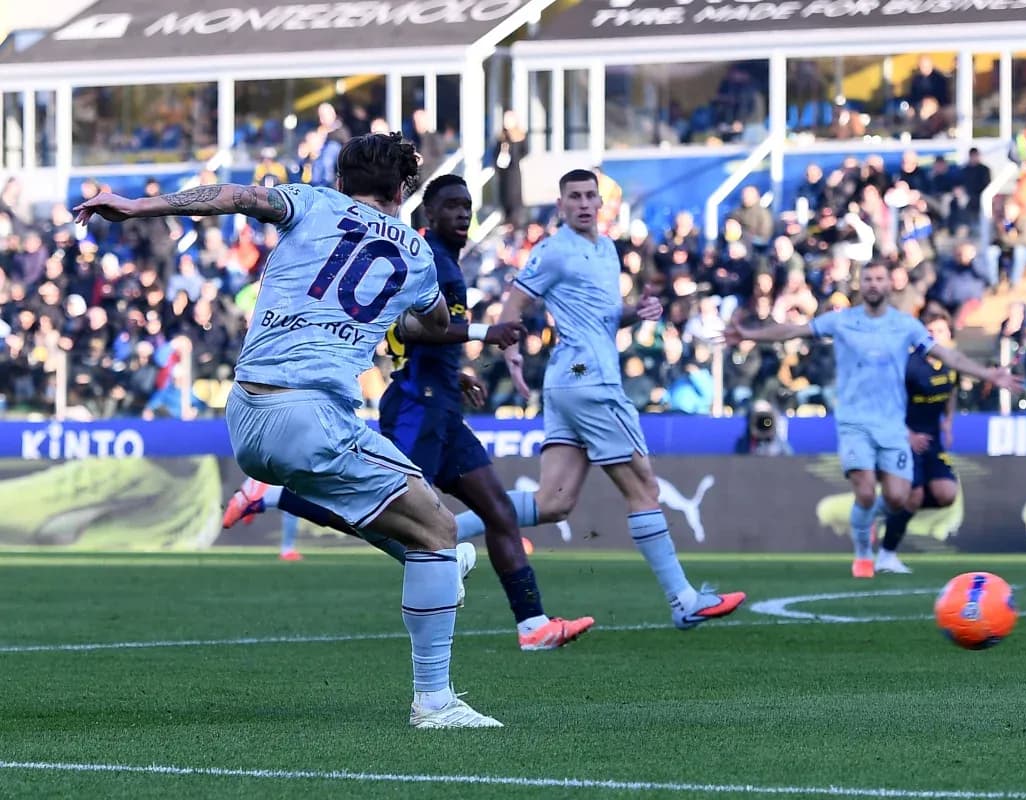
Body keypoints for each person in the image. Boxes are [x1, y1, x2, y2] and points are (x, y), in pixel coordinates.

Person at [74, 132, 502, 729]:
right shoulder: (418, 254)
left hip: (247, 414)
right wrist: (457, 329)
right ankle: (435, 701)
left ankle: (433, 564)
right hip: (312, 416)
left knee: (400, 523)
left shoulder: (311, 201)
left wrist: (138, 207)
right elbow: (430, 323)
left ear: (341, 179)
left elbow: (238, 196)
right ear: (403, 190)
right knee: (440, 528)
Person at [224, 174, 595, 651]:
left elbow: (413, 335)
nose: (463, 214)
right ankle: (273, 496)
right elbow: (405, 328)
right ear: (429, 214)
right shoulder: (424, 256)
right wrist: (481, 332)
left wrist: (454, 373)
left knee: (497, 509)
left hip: (441, 399)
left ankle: (533, 625)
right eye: (453, 205)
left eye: (467, 206)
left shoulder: (446, 262)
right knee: (388, 511)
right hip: (417, 402)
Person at [463, 168, 746, 629]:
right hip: (590, 382)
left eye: (589, 196)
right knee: (644, 488)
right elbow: (513, 304)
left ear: (601, 203)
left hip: (568, 385)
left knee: (552, 502)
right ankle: (683, 600)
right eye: (573, 196)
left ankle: (445, 533)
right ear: (560, 205)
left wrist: (636, 312)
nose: (582, 203)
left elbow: (603, 317)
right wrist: (511, 354)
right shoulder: (553, 250)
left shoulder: (607, 249)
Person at [726, 261, 1022, 578]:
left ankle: (867, 523)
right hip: (854, 423)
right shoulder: (842, 321)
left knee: (898, 497)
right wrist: (749, 334)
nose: (873, 284)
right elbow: (793, 330)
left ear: (889, 285)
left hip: (893, 425)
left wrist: (986, 373)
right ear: (860, 284)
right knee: (866, 493)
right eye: (868, 279)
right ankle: (863, 555)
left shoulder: (905, 325)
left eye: (879, 279)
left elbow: (948, 356)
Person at [878, 307, 960, 575]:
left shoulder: (952, 363)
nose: (935, 336)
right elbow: (887, 406)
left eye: (940, 331)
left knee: (946, 494)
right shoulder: (909, 366)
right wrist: (908, 435)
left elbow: (951, 391)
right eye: (930, 332)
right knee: (914, 496)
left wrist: (948, 421)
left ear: (950, 335)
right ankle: (886, 554)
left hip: (932, 438)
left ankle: (890, 509)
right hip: (905, 437)